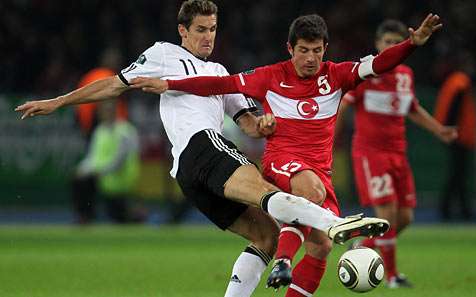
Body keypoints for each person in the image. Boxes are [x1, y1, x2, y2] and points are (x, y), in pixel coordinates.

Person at [15, 1, 388, 296]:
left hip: (189, 177)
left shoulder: (220, 74)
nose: (208, 36)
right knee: (267, 193)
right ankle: (336, 222)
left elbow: (248, 123)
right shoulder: (163, 54)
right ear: (182, 31)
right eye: (200, 29)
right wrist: (58, 101)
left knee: (267, 236)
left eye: (212, 29)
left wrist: (265, 126)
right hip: (200, 146)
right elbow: (115, 84)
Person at [128, 12, 442, 295]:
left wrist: (411, 45)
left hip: (321, 170)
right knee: (310, 190)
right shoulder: (270, 75)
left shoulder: (338, 75)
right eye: (303, 50)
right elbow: (218, 83)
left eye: (317, 51)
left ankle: (301, 255)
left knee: (321, 247)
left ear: (325, 49)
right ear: (290, 49)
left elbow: (379, 63)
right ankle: (283, 260)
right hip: (283, 162)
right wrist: (168, 82)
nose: (310, 58)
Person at [338, 20, 458, 288]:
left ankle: (362, 246)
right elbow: (343, 108)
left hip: (398, 153)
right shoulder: (366, 73)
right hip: (371, 153)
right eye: (387, 42)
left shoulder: (405, 75)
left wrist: (439, 130)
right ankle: (392, 277)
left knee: (405, 218)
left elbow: (412, 108)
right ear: (378, 44)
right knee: (388, 214)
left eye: (396, 42)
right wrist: (328, 142)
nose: (391, 47)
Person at [73, 100, 142, 224]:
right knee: (79, 180)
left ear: (115, 111)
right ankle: (85, 216)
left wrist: (100, 172)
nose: (106, 113)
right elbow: (92, 157)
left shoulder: (125, 131)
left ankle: (134, 213)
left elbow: (120, 161)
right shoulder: (100, 131)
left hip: (121, 179)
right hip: (104, 179)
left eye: (109, 110)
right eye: (104, 111)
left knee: (121, 218)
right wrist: (82, 169)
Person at [434, 51, 476, 221]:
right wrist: (451, 131)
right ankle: (454, 210)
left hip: (456, 134)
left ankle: (454, 209)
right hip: (460, 136)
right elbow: (454, 109)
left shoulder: (453, 81)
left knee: (457, 174)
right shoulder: (461, 82)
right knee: (458, 174)